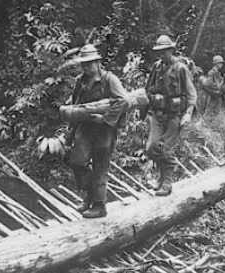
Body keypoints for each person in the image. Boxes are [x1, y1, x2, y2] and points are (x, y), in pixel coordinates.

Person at [67, 44, 134, 218]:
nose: (86, 67)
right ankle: (89, 195)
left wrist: (105, 119)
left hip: (104, 130)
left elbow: (124, 101)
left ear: (98, 62)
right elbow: (76, 106)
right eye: (83, 64)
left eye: (89, 63)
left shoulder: (109, 80)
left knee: (100, 166)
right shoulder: (80, 82)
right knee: (77, 162)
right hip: (84, 128)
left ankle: (99, 205)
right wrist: (70, 132)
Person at [145, 35, 197, 196]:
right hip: (158, 114)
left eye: (164, 51)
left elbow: (191, 93)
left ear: (170, 50)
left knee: (167, 151)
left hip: (174, 115)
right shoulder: (156, 67)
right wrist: (145, 106)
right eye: (159, 51)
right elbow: (148, 89)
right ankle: (162, 175)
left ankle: (167, 183)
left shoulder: (181, 68)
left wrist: (188, 113)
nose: (161, 54)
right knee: (151, 147)